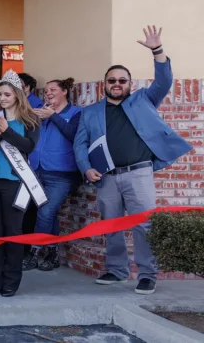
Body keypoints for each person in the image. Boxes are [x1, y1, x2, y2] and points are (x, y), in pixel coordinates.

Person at [74, 26, 191, 296]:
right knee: (111, 224)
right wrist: (86, 167)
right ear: (105, 84)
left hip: (139, 174)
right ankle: (116, 270)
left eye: (122, 81)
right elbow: (79, 144)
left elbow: (163, 81)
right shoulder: (90, 112)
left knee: (144, 224)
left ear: (130, 84)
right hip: (107, 178)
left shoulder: (143, 100)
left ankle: (147, 274)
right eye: (112, 80)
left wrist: (157, 51)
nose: (117, 84)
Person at [0, 71, 41, 297]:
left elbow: (28, 146)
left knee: (13, 232)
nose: (2, 98)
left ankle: (11, 282)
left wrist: (6, 132)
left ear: (17, 95)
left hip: (16, 183)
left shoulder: (31, 120)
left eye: (7, 94)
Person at [25, 77, 82, 272]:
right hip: (37, 171)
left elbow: (74, 135)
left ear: (64, 91)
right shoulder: (41, 112)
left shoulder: (75, 113)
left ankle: (33, 253)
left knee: (45, 212)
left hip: (61, 173)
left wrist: (53, 116)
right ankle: (53, 253)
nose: (48, 93)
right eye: (46, 90)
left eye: (53, 89)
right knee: (49, 215)